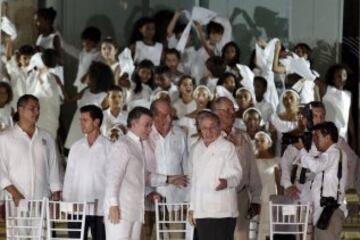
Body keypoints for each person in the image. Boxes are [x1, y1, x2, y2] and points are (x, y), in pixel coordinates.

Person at [211, 97, 262, 240]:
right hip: (216, 197)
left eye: (233, 109)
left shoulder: (243, 136)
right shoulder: (210, 138)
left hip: (240, 196)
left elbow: (252, 169)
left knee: (240, 236)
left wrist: (256, 198)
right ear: (217, 113)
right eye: (227, 110)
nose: (232, 113)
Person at [188, 110, 242, 240]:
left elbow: (237, 175)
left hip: (222, 211)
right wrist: (192, 208)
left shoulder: (227, 147)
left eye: (212, 127)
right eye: (204, 128)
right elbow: (193, 181)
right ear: (200, 129)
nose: (209, 131)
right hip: (201, 211)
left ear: (219, 127)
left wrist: (227, 182)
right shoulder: (196, 149)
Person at [0, 95, 62, 204]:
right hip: (15, 201)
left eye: (38, 109)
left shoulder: (47, 137)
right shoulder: (5, 138)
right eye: (32, 108)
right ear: (20, 110)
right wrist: (15, 194)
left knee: (43, 221)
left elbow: (54, 168)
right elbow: (1, 171)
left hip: (43, 200)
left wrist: (56, 196)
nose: (36, 112)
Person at [104, 106, 154, 240]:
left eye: (151, 126)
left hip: (134, 210)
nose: (150, 129)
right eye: (147, 125)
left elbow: (143, 177)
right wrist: (113, 204)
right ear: (134, 124)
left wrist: (168, 179)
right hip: (121, 210)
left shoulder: (138, 145)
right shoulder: (123, 145)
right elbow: (113, 177)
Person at [293, 122, 347, 240]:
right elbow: (310, 175)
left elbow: (315, 166)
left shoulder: (333, 153)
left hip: (329, 213)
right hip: (323, 213)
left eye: (317, 136)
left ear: (327, 138)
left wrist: (302, 150)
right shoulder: (329, 156)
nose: (314, 140)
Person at [143, 99, 188, 239]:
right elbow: (138, 172)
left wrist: (188, 199)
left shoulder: (180, 134)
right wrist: (148, 193)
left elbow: (187, 169)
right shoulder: (145, 136)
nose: (169, 119)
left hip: (176, 202)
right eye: (164, 115)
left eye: (170, 115)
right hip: (149, 203)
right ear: (153, 116)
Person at [63, 105, 109, 239]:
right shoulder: (76, 147)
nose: (81, 123)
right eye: (80, 120)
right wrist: (66, 204)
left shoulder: (110, 148)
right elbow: (69, 178)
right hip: (77, 207)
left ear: (96, 122)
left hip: (100, 208)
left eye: (85, 120)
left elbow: (113, 179)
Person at [65, 61, 114, 149]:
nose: (88, 78)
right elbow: (69, 99)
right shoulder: (86, 90)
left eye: (90, 75)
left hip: (88, 135)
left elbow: (106, 120)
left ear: (98, 78)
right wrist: (60, 84)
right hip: (76, 128)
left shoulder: (105, 97)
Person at [254, 131, 280, 240]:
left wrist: (280, 198)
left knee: (270, 224)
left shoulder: (276, 160)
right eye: (257, 141)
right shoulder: (253, 160)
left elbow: (278, 181)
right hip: (257, 195)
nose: (259, 143)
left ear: (268, 143)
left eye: (262, 140)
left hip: (271, 194)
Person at [71, 26, 103, 91]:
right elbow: (70, 49)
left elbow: (95, 72)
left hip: (90, 87)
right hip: (80, 86)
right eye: (84, 41)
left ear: (96, 42)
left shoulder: (99, 55)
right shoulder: (83, 53)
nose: (85, 44)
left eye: (88, 42)